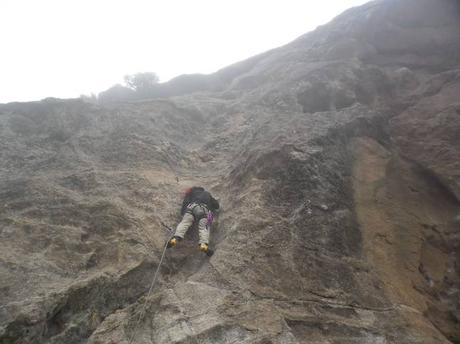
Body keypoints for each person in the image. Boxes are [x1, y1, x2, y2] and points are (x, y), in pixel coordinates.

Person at [167, 186, 219, 255]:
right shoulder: (207, 193)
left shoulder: (191, 193)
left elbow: (186, 202)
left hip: (191, 208)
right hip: (204, 209)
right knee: (204, 227)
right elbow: (216, 205)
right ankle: (203, 244)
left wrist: (183, 213)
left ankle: (176, 237)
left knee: (184, 223)